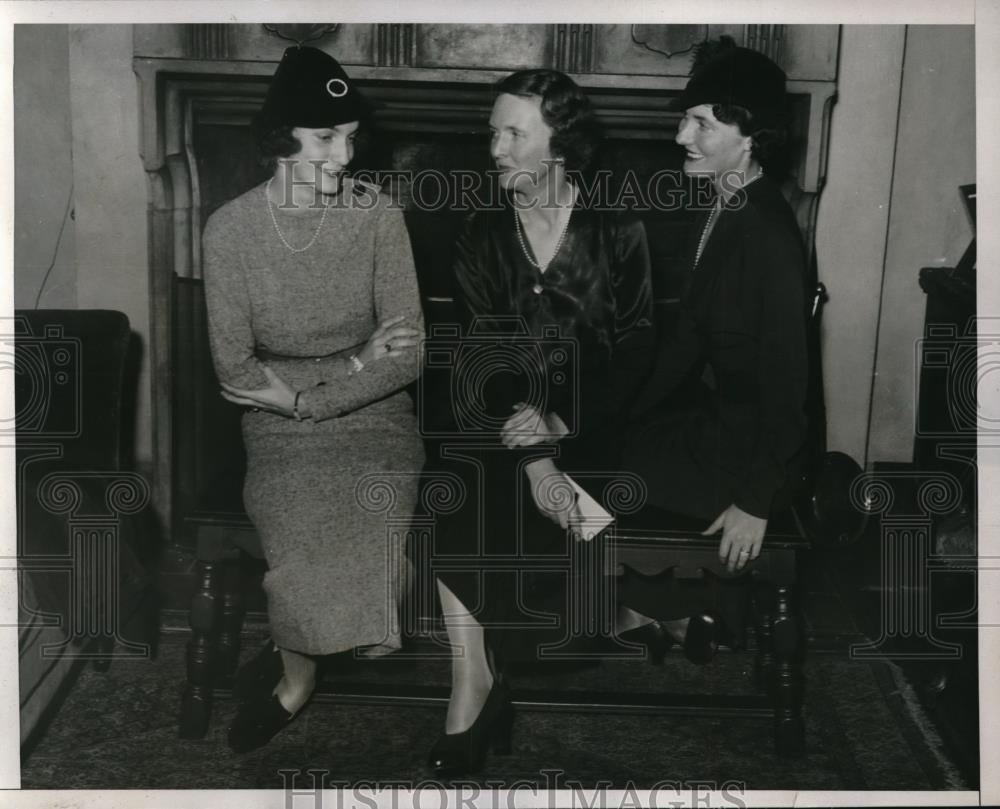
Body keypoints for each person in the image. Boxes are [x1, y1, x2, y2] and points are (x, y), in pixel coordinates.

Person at [423, 68, 655, 777]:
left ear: (559, 144)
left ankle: (623, 618)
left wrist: (562, 426)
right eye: (493, 130)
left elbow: (638, 354)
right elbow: (484, 354)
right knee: (455, 484)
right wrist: (536, 458)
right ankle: (472, 684)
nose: (494, 146)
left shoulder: (618, 226)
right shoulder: (479, 231)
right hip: (501, 423)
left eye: (512, 131)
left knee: (560, 575)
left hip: (597, 428)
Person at [201, 45, 425, 753]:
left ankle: (336, 625)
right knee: (296, 534)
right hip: (277, 430)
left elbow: (410, 354)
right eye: (326, 137)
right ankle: (296, 677)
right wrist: (356, 361)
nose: (345, 155)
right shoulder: (230, 230)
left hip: (374, 419)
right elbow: (236, 371)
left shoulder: (377, 215)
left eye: (350, 137)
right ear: (281, 139)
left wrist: (310, 398)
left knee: (373, 530)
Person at [619, 37, 810, 654]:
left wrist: (756, 503)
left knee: (581, 464)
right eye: (684, 119)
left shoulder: (768, 239)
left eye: (701, 123)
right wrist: (611, 404)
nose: (681, 136)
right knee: (586, 439)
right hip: (729, 431)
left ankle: (650, 608)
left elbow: (789, 388)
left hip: (758, 460)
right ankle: (666, 608)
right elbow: (684, 344)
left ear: (749, 137)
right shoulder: (729, 205)